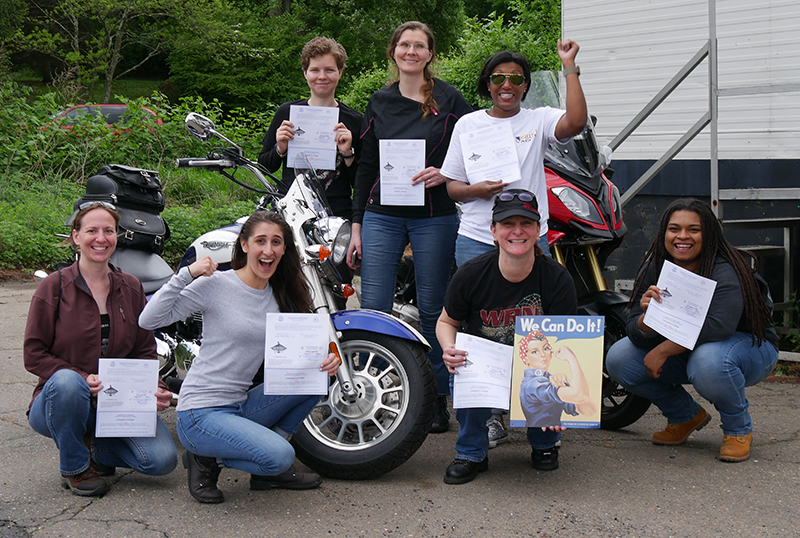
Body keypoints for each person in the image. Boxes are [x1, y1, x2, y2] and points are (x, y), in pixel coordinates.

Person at [439, 44, 587, 445]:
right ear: (488, 84)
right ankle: (488, 417)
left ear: (525, 86)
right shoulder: (468, 124)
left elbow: (575, 122)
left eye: (516, 79)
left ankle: (538, 412)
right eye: (499, 78)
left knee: (532, 330)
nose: (507, 85)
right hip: (476, 238)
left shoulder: (537, 119)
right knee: (480, 332)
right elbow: (452, 187)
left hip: (525, 237)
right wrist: (477, 189)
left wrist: (569, 67)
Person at [139, 211, 340, 503]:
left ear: (284, 249)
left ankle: (265, 471)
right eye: (260, 241)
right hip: (200, 412)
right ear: (244, 245)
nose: (268, 250)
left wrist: (325, 361)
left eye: (276, 242)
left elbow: (299, 356)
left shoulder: (282, 295)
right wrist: (187, 274)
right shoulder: (217, 285)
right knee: (282, 456)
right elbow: (149, 319)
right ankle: (205, 459)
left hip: (240, 405)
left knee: (316, 377)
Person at [345, 21, 473, 434]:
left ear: (430, 53)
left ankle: (435, 398)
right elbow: (365, 165)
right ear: (393, 52)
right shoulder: (379, 100)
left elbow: (474, 149)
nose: (411, 51)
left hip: (435, 215)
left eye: (420, 45)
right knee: (375, 309)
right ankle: (384, 394)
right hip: (382, 214)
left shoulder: (451, 99)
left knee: (435, 310)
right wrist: (358, 225)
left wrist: (448, 172)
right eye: (404, 44)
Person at [606, 198, 779, 463]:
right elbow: (634, 328)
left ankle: (737, 429)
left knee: (708, 361)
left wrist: (662, 350)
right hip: (692, 346)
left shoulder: (726, 269)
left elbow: (717, 328)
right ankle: (684, 416)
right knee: (619, 358)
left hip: (747, 348)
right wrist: (646, 319)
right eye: (674, 229)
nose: (682, 236)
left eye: (693, 230)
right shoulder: (658, 265)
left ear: (708, 233)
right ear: (664, 232)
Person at [24, 201, 178, 497]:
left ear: (117, 236)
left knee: (161, 460)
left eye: (109, 231)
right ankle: (75, 468)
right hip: (59, 400)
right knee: (69, 382)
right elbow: (34, 353)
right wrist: (82, 377)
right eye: (91, 230)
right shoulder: (54, 287)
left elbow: (145, 351)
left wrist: (155, 387)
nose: (101, 238)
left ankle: (95, 448)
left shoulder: (131, 287)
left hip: (116, 403)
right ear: (76, 237)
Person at [436, 189, 578, 485]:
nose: (517, 231)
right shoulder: (472, 274)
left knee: (549, 378)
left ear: (538, 230)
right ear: (493, 231)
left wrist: (566, 393)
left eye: (526, 223)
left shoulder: (556, 278)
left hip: (533, 365)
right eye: (507, 224)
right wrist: (449, 348)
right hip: (486, 366)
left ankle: (544, 444)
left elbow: (565, 343)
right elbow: (446, 321)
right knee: (462, 368)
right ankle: (471, 452)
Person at [258, 36, 361, 221]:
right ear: (305, 73)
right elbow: (264, 167)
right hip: (292, 213)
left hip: (337, 215)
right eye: (315, 70)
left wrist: (348, 154)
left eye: (329, 70)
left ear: (340, 72)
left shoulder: (354, 121)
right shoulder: (287, 113)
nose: (322, 76)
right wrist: (279, 149)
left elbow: (361, 183)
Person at [518, 331, 596, 428]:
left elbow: (589, 410)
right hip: (540, 435)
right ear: (525, 358)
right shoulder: (533, 384)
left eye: (546, 348)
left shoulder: (549, 379)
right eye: (535, 352)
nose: (543, 354)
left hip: (553, 433)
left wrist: (569, 386)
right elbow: (580, 395)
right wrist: (571, 358)